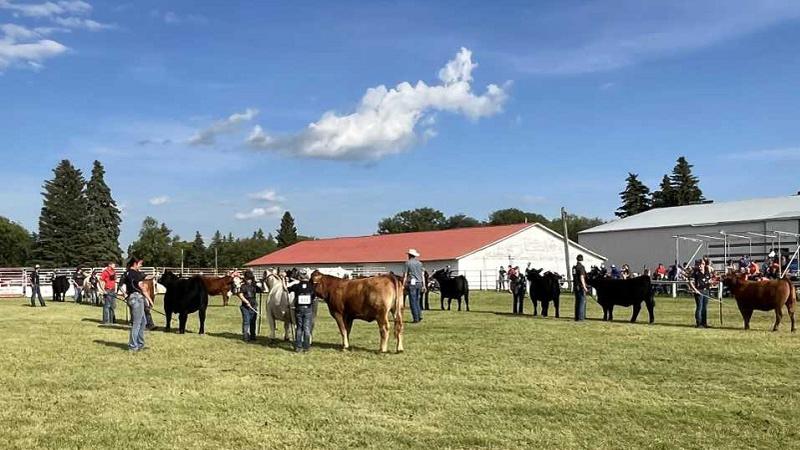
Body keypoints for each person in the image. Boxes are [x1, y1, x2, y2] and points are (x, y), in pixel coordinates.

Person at [124, 256, 153, 351]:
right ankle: (133, 346)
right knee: (137, 323)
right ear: (135, 264)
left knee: (143, 321)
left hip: (131, 297)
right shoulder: (136, 274)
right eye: (140, 264)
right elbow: (143, 288)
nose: (141, 266)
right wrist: (150, 300)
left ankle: (140, 343)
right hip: (137, 298)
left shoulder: (127, 273)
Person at [285, 270, 316, 352]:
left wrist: (284, 280)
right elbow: (314, 297)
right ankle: (306, 346)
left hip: (299, 309)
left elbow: (287, 289)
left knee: (299, 328)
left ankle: (298, 347)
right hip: (308, 309)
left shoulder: (296, 286)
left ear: (299, 277)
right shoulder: (312, 286)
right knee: (307, 328)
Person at [403, 249, 425, 323]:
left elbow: (405, 275)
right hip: (419, 283)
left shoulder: (408, 263)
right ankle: (419, 315)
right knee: (417, 300)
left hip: (412, 283)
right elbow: (422, 275)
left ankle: (416, 318)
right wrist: (424, 285)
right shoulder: (420, 263)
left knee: (412, 301)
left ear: (409, 255)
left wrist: (403, 284)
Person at [237, 271, 260, 341]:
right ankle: (246, 336)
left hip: (254, 306)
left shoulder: (254, 286)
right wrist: (246, 302)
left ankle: (253, 336)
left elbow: (262, 290)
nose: (249, 280)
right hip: (245, 307)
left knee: (253, 322)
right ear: (245, 278)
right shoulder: (243, 286)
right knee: (246, 321)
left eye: (250, 279)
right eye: (247, 279)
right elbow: (240, 295)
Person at [688, 259, 711, 328]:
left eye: (701, 264)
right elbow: (690, 282)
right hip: (699, 291)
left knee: (705, 308)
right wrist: (695, 290)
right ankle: (699, 323)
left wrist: (711, 284)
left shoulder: (707, 272)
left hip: (706, 291)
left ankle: (704, 323)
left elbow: (709, 280)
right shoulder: (695, 272)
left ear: (704, 265)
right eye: (699, 265)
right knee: (699, 307)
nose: (700, 266)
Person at [572, 254, 588, 321]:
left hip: (575, 286)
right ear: (582, 259)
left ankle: (576, 317)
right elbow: (581, 277)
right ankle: (581, 317)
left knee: (577, 302)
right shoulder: (581, 267)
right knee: (582, 301)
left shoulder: (574, 267)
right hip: (580, 286)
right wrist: (584, 286)